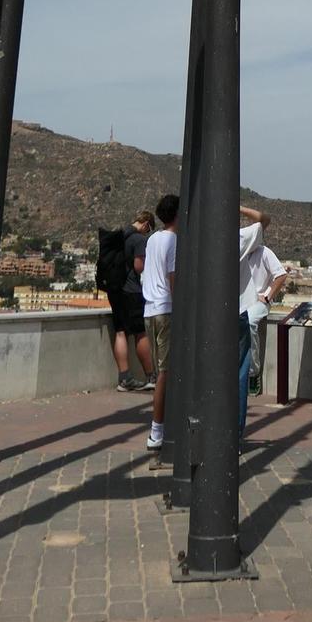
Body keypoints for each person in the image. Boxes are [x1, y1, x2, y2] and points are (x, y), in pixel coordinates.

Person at [141, 193, 178, 452]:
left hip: (149, 310)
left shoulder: (153, 239)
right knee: (165, 373)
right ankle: (156, 431)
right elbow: (172, 276)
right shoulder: (173, 240)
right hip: (166, 309)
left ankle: (161, 426)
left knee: (161, 370)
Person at [237, 203, 271, 443]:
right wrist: (239, 208)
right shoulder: (239, 238)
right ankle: (235, 435)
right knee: (239, 375)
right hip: (238, 312)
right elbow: (264, 219)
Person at [112, 210, 154, 390]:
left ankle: (124, 378)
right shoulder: (138, 239)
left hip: (115, 290)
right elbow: (138, 267)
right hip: (131, 290)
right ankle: (151, 377)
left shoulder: (119, 236)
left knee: (120, 332)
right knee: (140, 333)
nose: (147, 233)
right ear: (146, 224)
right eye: (148, 230)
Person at [246, 242, 288, 394]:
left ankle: (253, 371)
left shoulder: (264, 253)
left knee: (250, 322)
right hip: (242, 300)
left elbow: (281, 275)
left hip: (259, 301)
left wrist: (268, 296)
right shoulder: (239, 250)